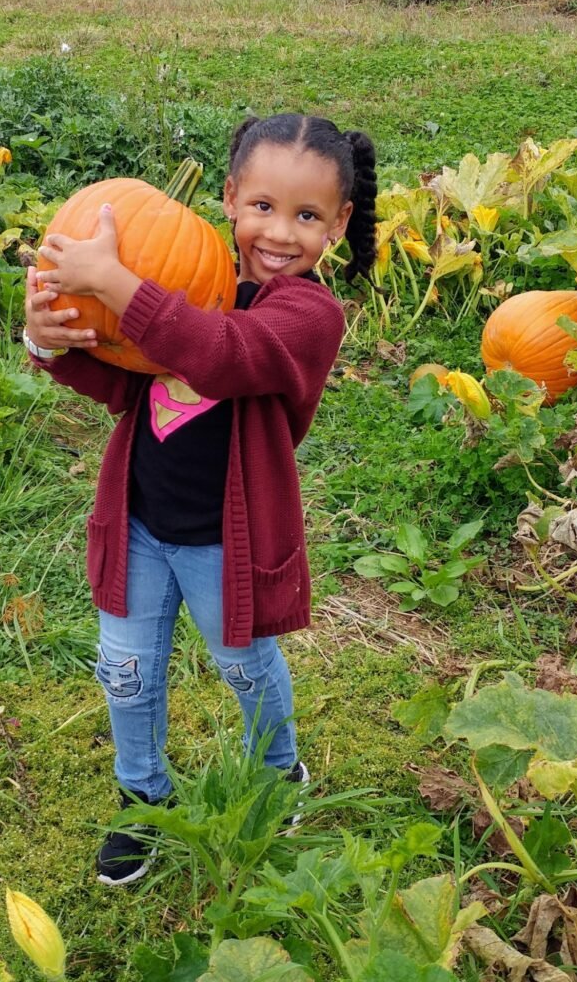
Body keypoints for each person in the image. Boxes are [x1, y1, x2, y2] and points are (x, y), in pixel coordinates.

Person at [23, 113, 377, 885]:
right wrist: (50, 338)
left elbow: (222, 355)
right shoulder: (192, 279)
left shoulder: (308, 316)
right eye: (262, 207)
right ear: (228, 197)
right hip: (143, 522)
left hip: (228, 541)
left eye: (307, 216)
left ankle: (279, 770)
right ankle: (143, 798)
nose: (280, 233)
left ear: (339, 224)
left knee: (244, 665)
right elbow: (125, 377)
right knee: (124, 671)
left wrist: (117, 280)